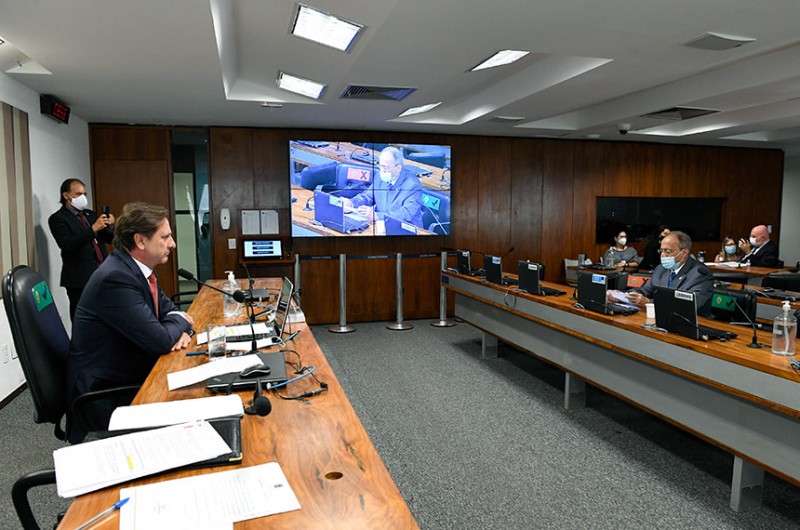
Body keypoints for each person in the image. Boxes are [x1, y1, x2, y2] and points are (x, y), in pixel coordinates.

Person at [66, 202, 194, 442]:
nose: (172, 244)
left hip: (129, 369)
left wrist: (178, 324)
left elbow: (169, 311)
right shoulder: (116, 278)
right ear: (141, 241)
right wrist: (181, 324)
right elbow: (161, 339)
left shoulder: (138, 268)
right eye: (165, 237)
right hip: (106, 393)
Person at [47, 178, 115, 319]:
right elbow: (67, 245)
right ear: (66, 196)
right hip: (79, 277)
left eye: (85, 194)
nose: (83, 198)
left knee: (105, 314)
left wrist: (110, 226)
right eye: (78, 194)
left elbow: (108, 239)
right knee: (82, 316)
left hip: (102, 271)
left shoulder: (90, 215)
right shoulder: (58, 218)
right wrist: (93, 229)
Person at [609, 231, 714, 316]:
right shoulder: (660, 269)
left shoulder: (700, 274)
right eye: (661, 251)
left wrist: (649, 304)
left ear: (684, 253)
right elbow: (645, 291)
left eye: (667, 251)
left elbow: (687, 307)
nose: (662, 256)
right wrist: (623, 295)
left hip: (693, 324)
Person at [343, 146, 423, 229]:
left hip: (405, 230)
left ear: (398, 168)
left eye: (385, 167)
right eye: (380, 166)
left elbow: (406, 214)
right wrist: (352, 203)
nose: (381, 170)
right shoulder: (379, 177)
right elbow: (368, 196)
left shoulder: (412, 185)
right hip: (381, 226)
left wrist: (377, 216)